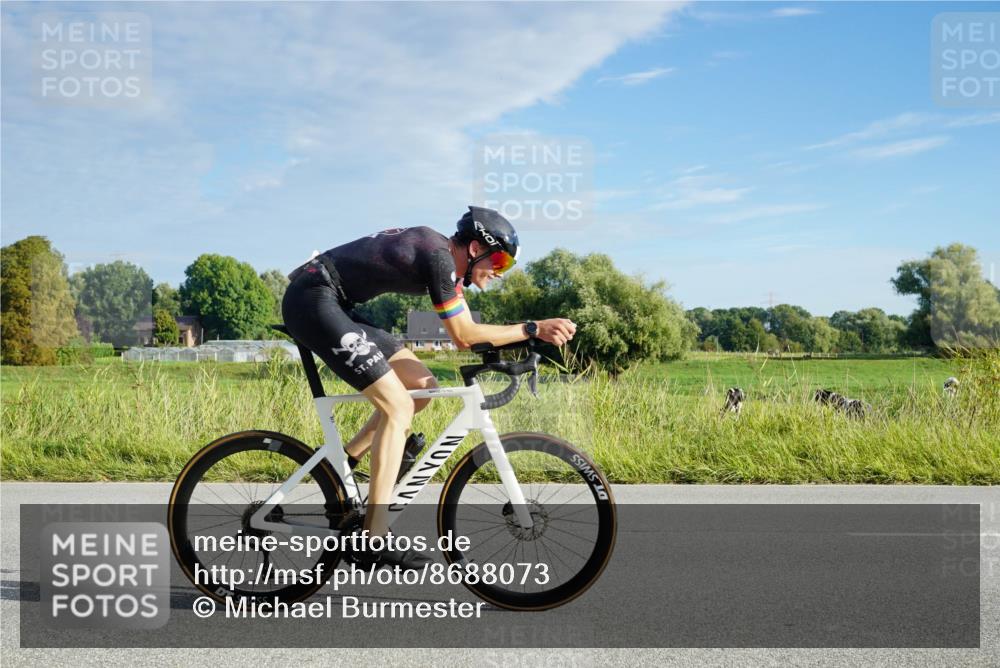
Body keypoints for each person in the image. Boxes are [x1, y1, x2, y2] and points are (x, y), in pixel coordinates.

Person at [281, 206, 577, 569]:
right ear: (474, 249)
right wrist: (532, 329)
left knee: (422, 387)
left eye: (506, 266)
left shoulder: (444, 263)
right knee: (398, 407)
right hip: (312, 299)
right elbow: (464, 336)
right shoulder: (440, 258)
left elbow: (469, 330)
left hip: (337, 302)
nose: (498, 272)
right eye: (498, 260)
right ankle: (373, 537)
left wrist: (520, 340)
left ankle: (343, 462)